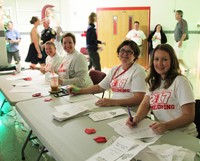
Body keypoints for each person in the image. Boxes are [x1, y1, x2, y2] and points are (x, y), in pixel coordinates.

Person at [126, 44, 198, 137]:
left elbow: (189, 116)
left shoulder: (180, 81)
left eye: (164, 59)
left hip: (184, 135)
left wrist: (166, 126)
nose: (159, 63)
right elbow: (145, 104)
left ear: (172, 61)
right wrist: (137, 118)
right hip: (164, 133)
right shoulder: (154, 82)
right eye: (156, 59)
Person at [68, 40, 147, 107]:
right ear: (118, 53)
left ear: (135, 55)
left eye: (129, 52)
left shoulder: (138, 71)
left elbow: (139, 99)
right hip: (115, 109)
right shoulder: (115, 69)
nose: (125, 54)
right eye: (122, 51)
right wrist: (79, 91)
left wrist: (112, 102)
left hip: (130, 111)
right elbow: (100, 87)